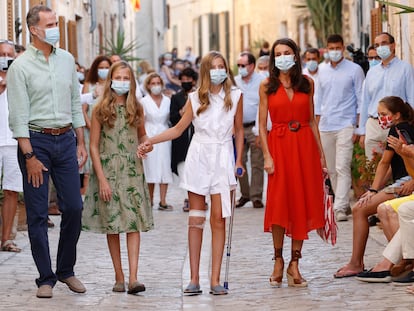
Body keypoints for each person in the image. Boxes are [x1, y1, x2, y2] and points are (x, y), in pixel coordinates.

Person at [137, 51, 244, 295]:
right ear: (206, 71)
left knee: (219, 220)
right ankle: (194, 278)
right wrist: (151, 141)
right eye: (214, 67)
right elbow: (177, 129)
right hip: (199, 157)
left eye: (222, 66)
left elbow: (238, 132)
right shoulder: (195, 98)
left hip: (223, 157)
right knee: (196, 219)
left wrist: (239, 161)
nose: (219, 70)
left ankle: (215, 279)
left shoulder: (236, 96)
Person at [7, 5, 87, 298]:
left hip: (65, 139)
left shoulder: (67, 60)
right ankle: (45, 277)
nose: (56, 28)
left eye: (56, 22)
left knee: (75, 208)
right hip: (36, 142)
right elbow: (17, 116)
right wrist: (29, 156)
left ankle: (66, 269)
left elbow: (75, 103)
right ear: (34, 30)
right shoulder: (20, 67)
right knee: (38, 213)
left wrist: (80, 140)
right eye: (51, 24)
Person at [258, 38, 326, 288]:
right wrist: (267, 155)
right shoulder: (266, 85)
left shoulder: (307, 83)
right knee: (278, 204)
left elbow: (311, 121)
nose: (283, 56)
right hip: (278, 146)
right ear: (273, 59)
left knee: (301, 202)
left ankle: (294, 263)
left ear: (296, 55)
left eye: (287, 52)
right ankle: (278, 259)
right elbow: (261, 125)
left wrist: (321, 156)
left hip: (304, 147)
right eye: (278, 54)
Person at [82, 61, 154, 294]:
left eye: (126, 78)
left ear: (131, 82)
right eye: (118, 77)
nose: (122, 82)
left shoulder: (137, 108)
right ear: (111, 80)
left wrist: (146, 145)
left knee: (133, 224)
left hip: (132, 170)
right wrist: (101, 179)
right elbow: (93, 146)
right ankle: (119, 275)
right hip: (108, 170)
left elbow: (142, 135)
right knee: (112, 224)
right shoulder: (99, 108)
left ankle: (134, 277)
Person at [334, 96, 414, 278]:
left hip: (406, 181)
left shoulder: (397, 130)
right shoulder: (404, 127)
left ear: (396, 115)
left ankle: (360, 263)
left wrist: (373, 190)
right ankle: (397, 261)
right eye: (378, 114)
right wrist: (377, 188)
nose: (380, 118)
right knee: (365, 209)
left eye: (384, 114)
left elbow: (384, 163)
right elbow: (392, 164)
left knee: (359, 210)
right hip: (401, 180)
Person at [315, 34, 365, 221]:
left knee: (342, 165)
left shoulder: (355, 69)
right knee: (331, 169)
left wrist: (357, 127)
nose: (334, 51)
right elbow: (318, 100)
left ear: (343, 48)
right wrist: (317, 125)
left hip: (346, 124)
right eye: (331, 48)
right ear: (326, 49)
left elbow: (361, 98)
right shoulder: (321, 70)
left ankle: (340, 207)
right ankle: (341, 202)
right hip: (326, 125)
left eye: (337, 48)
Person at [357, 32, 414, 159]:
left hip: (396, 124)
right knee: (373, 168)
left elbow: (411, 98)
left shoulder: (406, 69)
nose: (380, 47)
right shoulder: (372, 72)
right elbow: (365, 102)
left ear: (393, 46)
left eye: (384, 43)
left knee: (398, 167)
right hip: (374, 125)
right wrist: (362, 131)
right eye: (377, 45)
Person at [234, 51, 265, 209]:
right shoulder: (234, 82)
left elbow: (263, 106)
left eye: (243, 65)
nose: (240, 68)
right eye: (238, 65)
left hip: (255, 127)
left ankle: (256, 196)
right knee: (240, 161)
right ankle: (245, 194)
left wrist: (260, 130)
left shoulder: (262, 81)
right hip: (238, 128)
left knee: (257, 162)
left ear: (252, 66)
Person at [0, 39, 23, 253]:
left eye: (9, 54)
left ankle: (6, 238)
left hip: (13, 141)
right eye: (1, 54)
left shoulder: (19, 79)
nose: (5, 58)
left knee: (12, 191)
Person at [141, 73, 174, 210]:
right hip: (149, 135)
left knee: (164, 166)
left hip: (165, 135)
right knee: (150, 167)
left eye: (158, 83)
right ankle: (150, 200)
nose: (156, 86)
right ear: (148, 85)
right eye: (153, 83)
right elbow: (141, 122)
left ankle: (163, 200)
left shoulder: (167, 100)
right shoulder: (144, 101)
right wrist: (142, 139)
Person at [169, 67, 198, 212]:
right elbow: (173, 118)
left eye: (189, 79)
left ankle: (198, 198)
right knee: (183, 170)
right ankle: (188, 198)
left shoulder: (200, 96)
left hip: (196, 139)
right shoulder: (176, 98)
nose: (186, 82)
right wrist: (184, 110)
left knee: (196, 171)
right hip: (180, 140)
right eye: (183, 79)